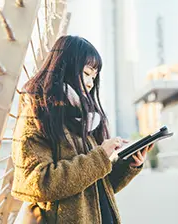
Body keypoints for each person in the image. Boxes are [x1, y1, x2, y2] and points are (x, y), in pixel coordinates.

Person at [11, 35, 154, 224]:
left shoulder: (84, 118)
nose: (90, 83)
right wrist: (100, 156)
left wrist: (129, 165)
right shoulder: (37, 113)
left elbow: (93, 189)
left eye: (94, 77)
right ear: (65, 68)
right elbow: (34, 182)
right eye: (87, 73)